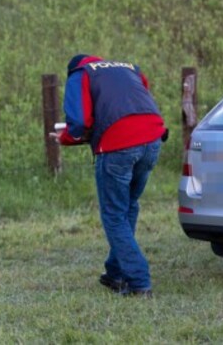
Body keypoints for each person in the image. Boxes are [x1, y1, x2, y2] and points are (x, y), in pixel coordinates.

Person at [51, 54, 167, 298]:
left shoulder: (80, 74)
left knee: (114, 215)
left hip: (118, 147)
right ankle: (114, 272)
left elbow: (80, 122)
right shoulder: (130, 67)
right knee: (128, 206)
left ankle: (138, 281)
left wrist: (66, 138)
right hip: (153, 138)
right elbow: (140, 102)